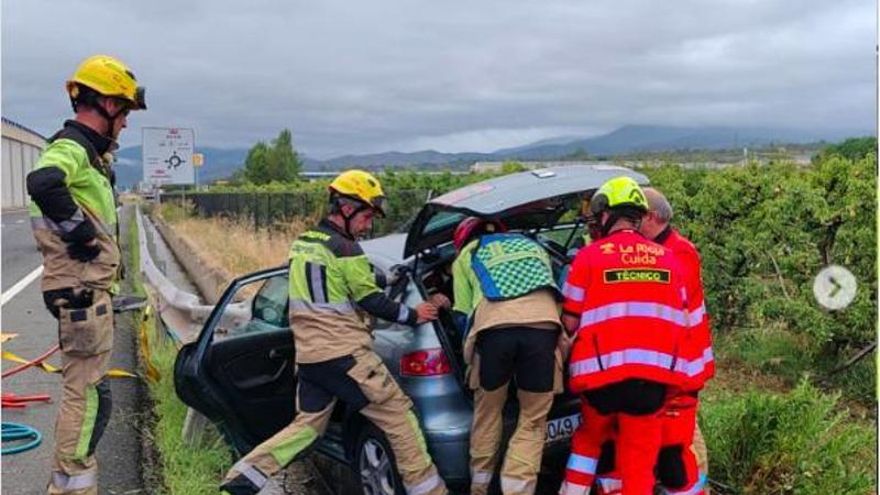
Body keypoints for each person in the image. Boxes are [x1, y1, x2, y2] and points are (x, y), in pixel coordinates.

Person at [220, 170, 448, 495]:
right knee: (399, 417)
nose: (368, 225)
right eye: (366, 215)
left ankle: (243, 478)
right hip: (345, 356)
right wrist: (415, 314)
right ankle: (429, 491)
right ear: (345, 206)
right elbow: (369, 300)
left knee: (308, 427)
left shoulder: (305, 244)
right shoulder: (348, 249)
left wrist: (387, 277)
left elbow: (340, 280)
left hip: (311, 358)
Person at [26, 54, 146, 495]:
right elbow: (42, 182)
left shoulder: (90, 156)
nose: (127, 124)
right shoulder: (72, 147)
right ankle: (71, 489)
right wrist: (82, 237)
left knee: (94, 395)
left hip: (86, 293)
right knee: (88, 396)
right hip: (79, 294)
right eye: (126, 112)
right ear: (107, 105)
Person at [558, 176, 697, 495]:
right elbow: (683, 317)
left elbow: (569, 319)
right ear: (637, 216)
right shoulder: (669, 259)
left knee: (589, 441)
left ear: (607, 215)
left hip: (599, 381)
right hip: (651, 383)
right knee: (638, 461)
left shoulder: (589, 256)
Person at [450, 217, 565, 495]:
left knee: (488, 413)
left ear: (463, 240)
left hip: (494, 333)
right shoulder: (533, 246)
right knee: (533, 418)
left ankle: (480, 489)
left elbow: (461, 314)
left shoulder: (467, 254)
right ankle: (518, 490)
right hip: (543, 329)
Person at [639, 187, 713, 494]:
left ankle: (697, 487)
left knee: (685, 435)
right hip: (673, 359)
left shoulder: (678, 251)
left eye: (636, 217)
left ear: (652, 217)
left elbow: (668, 303)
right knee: (674, 433)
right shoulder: (661, 246)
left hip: (684, 361)